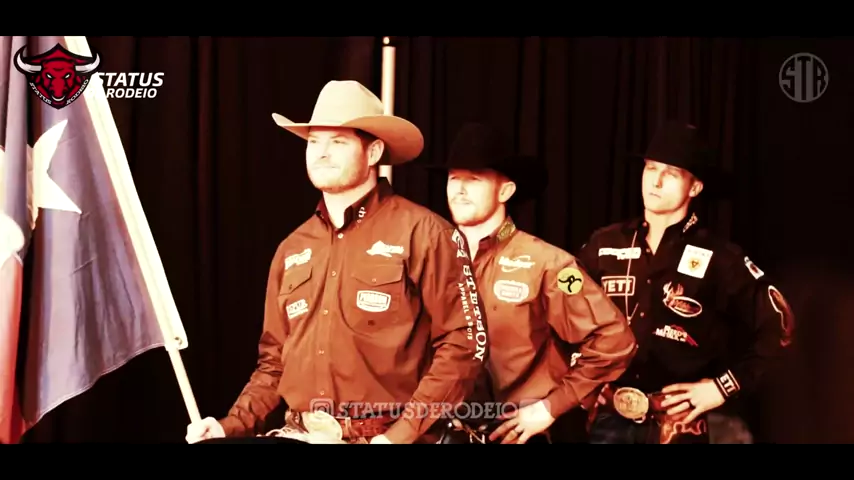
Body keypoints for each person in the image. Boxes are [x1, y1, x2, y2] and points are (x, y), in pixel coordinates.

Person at [185, 80, 489, 445]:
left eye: (338, 142)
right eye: (314, 142)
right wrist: (229, 425)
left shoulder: (425, 233)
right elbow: (274, 362)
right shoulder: (292, 248)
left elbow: (464, 345)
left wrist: (399, 436)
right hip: (299, 435)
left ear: (374, 151)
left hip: (384, 437)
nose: (322, 153)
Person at [578, 120, 795, 444]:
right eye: (651, 168)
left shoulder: (721, 257)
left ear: (694, 188)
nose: (656, 181)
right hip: (608, 420)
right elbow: (563, 303)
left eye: (671, 173)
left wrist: (722, 387)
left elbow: (780, 325)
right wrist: (577, 379)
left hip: (678, 426)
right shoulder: (604, 244)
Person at [429, 123, 637, 444]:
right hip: (447, 432)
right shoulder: (430, 259)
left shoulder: (550, 264)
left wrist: (551, 407)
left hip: (523, 434)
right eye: (454, 178)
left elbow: (615, 339)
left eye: (474, 179)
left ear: (505, 191)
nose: (460, 189)